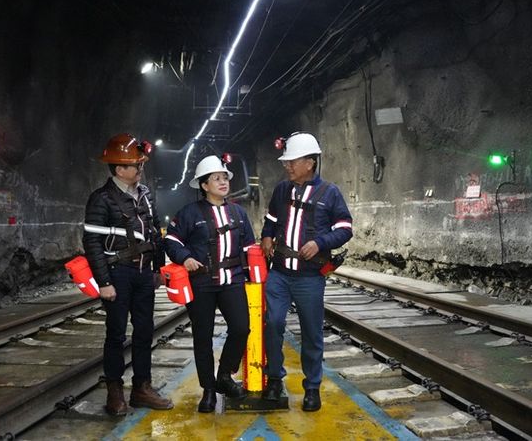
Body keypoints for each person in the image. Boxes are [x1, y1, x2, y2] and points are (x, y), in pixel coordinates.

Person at [260, 132, 353, 412]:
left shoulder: (329, 193)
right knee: (273, 323)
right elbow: (272, 218)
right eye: (286, 162)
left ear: (310, 163)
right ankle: (275, 379)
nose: (287, 166)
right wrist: (266, 235)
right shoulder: (281, 190)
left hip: (309, 277)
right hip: (278, 274)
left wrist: (320, 242)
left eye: (292, 161)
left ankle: (312, 387)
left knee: (312, 332)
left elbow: (345, 228)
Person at [82, 133, 173, 415]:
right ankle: (115, 391)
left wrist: (158, 269)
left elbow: (155, 233)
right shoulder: (101, 199)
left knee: (145, 332)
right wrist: (104, 282)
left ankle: (141, 388)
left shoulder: (145, 195)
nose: (140, 168)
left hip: (144, 274)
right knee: (116, 335)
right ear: (119, 168)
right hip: (118, 274)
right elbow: (92, 242)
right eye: (136, 164)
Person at [165, 155, 255, 413]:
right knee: (202, 337)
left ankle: (224, 376)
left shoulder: (238, 212)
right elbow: (171, 240)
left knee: (241, 328)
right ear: (204, 185)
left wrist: (255, 273)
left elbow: (248, 246)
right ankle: (208, 390)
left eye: (224, 177)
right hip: (202, 283)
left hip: (232, 280)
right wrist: (186, 258)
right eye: (216, 178)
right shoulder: (189, 213)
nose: (223, 181)